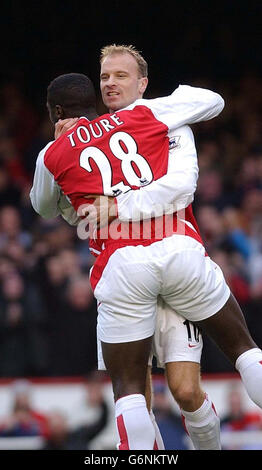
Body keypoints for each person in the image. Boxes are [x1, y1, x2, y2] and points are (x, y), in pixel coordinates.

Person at [30, 73, 262, 450]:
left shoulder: (58, 151)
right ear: (96, 97)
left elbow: (42, 207)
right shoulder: (141, 119)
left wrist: (86, 194)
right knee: (242, 352)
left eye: (119, 74)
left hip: (125, 263)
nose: (111, 82)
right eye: (104, 75)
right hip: (170, 251)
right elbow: (212, 102)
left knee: (149, 391)